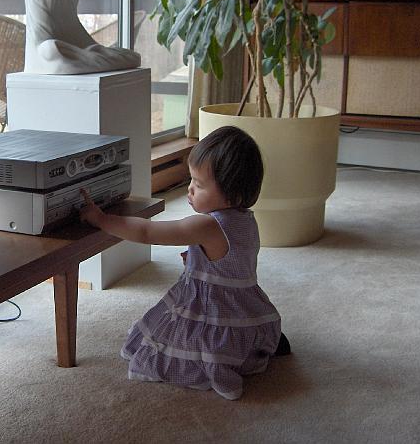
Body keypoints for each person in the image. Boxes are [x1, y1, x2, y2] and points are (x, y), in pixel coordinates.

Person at [79, 125, 290, 400]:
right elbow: (232, 263)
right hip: (244, 307)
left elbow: (146, 232)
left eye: (199, 185)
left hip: (215, 310)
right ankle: (248, 342)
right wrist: (198, 260)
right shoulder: (245, 220)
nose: (189, 189)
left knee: (162, 344)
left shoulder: (207, 225)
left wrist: (102, 219)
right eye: (191, 180)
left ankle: (224, 354)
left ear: (234, 194)